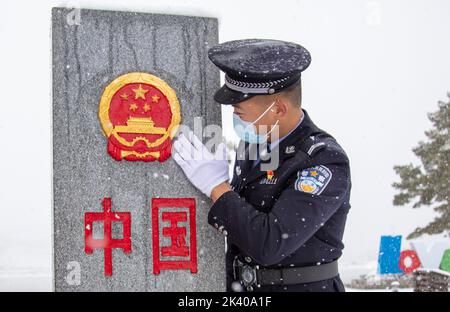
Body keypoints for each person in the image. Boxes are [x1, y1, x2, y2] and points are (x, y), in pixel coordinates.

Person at [172, 39, 352, 292]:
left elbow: (271, 243)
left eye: (241, 112)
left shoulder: (321, 160)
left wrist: (217, 187)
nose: (236, 118)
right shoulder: (253, 147)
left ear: (278, 108)